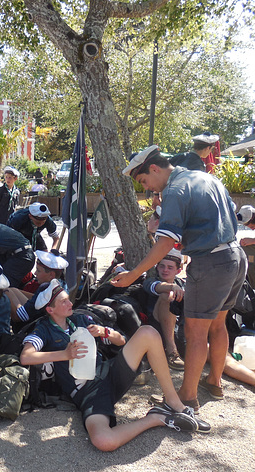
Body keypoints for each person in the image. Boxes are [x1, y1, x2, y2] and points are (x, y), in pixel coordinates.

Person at [112, 145, 247, 414]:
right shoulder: (207, 177)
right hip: (235, 256)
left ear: (154, 168)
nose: (148, 188)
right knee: (218, 325)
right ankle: (214, 382)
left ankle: (186, 398)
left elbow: (165, 243)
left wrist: (133, 274)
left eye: (144, 181)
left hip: (211, 264)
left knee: (195, 332)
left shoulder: (174, 189)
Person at [20, 279, 210, 452]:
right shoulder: (43, 329)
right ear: (50, 309)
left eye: (68, 299)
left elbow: (121, 341)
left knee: (148, 332)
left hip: (108, 372)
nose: (70, 304)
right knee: (104, 441)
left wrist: (105, 332)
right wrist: (64, 354)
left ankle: (174, 403)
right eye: (63, 302)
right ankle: (157, 418)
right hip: (88, 393)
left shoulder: (80, 319)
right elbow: (26, 357)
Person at [142, 249, 186, 370]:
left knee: (220, 355)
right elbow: (156, 287)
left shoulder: (183, 284)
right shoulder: (150, 281)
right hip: (157, 330)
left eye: (170, 267)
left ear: (178, 270)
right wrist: (172, 287)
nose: (165, 270)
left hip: (180, 333)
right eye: (162, 266)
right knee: (167, 296)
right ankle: (171, 351)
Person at [5, 249, 69, 332]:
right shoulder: (62, 284)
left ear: (51, 275)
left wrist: (5, 291)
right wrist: (14, 291)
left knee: (8, 291)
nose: (35, 273)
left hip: (34, 327)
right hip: (43, 320)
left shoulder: (46, 288)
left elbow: (20, 317)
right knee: (13, 290)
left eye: (38, 270)